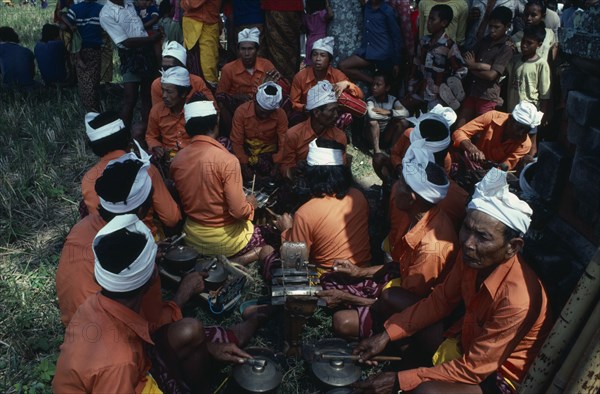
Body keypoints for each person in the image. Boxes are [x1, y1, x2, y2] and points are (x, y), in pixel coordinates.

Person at [354, 168, 552, 394]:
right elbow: (440, 301)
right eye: (466, 229)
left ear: (512, 247)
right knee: (401, 311)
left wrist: (401, 380)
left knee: (427, 391)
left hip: (498, 375)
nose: (468, 242)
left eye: (482, 237)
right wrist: (385, 335)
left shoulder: (518, 300)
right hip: (467, 341)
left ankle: (410, 377)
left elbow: (476, 368)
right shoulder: (470, 257)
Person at [53, 214, 263, 393]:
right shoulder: (118, 362)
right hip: (128, 379)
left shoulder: (96, 305)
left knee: (189, 330)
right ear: (152, 275)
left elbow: (143, 343)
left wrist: (207, 349)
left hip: (136, 369)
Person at [326, 142, 458, 339]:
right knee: (329, 279)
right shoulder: (418, 216)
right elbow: (399, 266)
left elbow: (414, 305)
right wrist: (359, 272)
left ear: (412, 197)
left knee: (342, 321)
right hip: (399, 288)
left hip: (413, 311)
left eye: (401, 184)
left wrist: (347, 298)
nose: (395, 188)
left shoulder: (431, 249)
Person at [57, 156, 174, 326]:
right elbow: (153, 324)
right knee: (189, 330)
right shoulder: (136, 251)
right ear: (142, 210)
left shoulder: (82, 226)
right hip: (110, 336)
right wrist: (183, 295)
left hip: (74, 326)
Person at [170, 98, 268, 265]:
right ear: (216, 121)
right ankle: (233, 262)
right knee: (268, 243)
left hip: (192, 237)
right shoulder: (227, 160)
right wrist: (250, 204)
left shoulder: (177, 160)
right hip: (226, 241)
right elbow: (238, 212)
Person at [270, 138, 371, 273]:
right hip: (362, 271)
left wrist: (286, 231)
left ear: (312, 174)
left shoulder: (305, 213)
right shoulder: (358, 196)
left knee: (267, 252)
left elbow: (294, 263)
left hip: (329, 280)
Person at [81, 111, 181, 235]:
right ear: (127, 139)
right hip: (148, 243)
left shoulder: (88, 179)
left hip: (107, 248)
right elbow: (171, 218)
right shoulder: (145, 168)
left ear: (94, 148)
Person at [99, 0, 163, 129]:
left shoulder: (129, 4)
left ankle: (147, 131)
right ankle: (124, 135)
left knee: (147, 95)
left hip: (146, 51)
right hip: (130, 56)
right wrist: (151, 39)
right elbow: (125, 42)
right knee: (130, 97)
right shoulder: (106, 14)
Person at [216, 27, 280, 136]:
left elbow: (275, 93)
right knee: (222, 103)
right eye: (243, 49)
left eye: (250, 49)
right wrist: (236, 97)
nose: (246, 53)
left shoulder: (267, 65)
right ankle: (232, 135)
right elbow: (220, 95)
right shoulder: (228, 69)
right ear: (238, 50)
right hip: (237, 110)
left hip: (263, 108)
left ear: (257, 50)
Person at [457, 6, 514, 128]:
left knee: (482, 133)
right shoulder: (484, 41)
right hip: (473, 91)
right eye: (490, 26)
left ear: (507, 26)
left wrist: (473, 66)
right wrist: (483, 67)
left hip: (488, 97)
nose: (492, 30)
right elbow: (467, 58)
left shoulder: (506, 47)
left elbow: (491, 75)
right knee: (460, 129)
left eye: (497, 27)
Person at [289, 36, 364, 127]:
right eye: (315, 54)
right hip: (308, 114)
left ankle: (337, 137)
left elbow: (360, 95)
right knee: (294, 117)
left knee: (345, 116)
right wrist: (306, 108)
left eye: (322, 55)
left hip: (330, 116)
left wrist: (347, 84)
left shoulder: (337, 75)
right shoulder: (300, 76)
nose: (318, 59)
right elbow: (293, 103)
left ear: (329, 60)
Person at [280, 81, 348, 180]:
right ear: (316, 112)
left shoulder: (339, 137)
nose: (336, 115)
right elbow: (285, 167)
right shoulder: (293, 135)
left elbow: (340, 170)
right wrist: (295, 170)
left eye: (337, 110)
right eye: (332, 111)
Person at [409, 4, 468, 111]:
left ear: (444, 23)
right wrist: (411, 84)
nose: (428, 22)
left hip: (437, 98)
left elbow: (462, 69)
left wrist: (447, 87)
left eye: (433, 19)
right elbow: (416, 63)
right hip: (420, 91)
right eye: (428, 19)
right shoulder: (423, 42)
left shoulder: (449, 46)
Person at [452, 101, 542, 170]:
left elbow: (504, 168)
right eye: (519, 128)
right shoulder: (492, 116)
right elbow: (459, 133)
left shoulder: (525, 145)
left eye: (526, 130)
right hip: (469, 162)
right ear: (510, 119)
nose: (520, 133)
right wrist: (471, 148)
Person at [506, 24, 551, 157]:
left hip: (530, 113)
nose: (524, 45)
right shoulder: (515, 60)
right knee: (513, 139)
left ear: (539, 44)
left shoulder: (541, 64)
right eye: (524, 41)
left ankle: (527, 166)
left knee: (530, 141)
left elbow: (544, 94)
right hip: (513, 109)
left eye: (529, 43)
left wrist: (541, 116)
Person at [230, 81, 287, 183]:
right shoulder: (241, 112)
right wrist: (244, 165)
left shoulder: (281, 115)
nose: (265, 116)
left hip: (267, 152)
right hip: (246, 149)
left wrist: (276, 166)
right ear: (255, 101)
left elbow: (283, 143)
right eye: (262, 112)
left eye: (269, 113)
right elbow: (236, 142)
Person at [339, 0, 403, 84]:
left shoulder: (387, 10)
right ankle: (373, 82)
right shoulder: (367, 7)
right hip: (368, 52)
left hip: (383, 55)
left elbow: (396, 36)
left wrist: (396, 62)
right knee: (343, 66)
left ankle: (379, 85)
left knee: (388, 84)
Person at [62, 0, 104, 111]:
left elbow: (63, 24)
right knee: (94, 80)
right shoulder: (101, 9)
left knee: (84, 80)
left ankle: (89, 109)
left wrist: (71, 26)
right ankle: (94, 107)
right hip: (95, 48)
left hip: (79, 49)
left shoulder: (75, 9)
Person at [146, 66, 192, 158]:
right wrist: (156, 146)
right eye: (163, 90)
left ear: (183, 93)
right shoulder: (157, 111)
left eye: (169, 92)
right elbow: (151, 136)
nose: (164, 96)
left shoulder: (195, 111)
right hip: (167, 157)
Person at [150, 40, 214, 106]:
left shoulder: (197, 82)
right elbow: (157, 112)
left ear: (182, 66)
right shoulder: (157, 84)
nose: (167, 71)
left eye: (171, 67)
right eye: (164, 67)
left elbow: (213, 108)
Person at [366, 72, 409, 154]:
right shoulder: (371, 100)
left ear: (387, 88)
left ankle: (392, 148)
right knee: (373, 122)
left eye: (378, 85)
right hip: (371, 135)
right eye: (373, 84)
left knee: (404, 122)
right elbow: (371, 114)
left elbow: (405, 112)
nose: (374, 87)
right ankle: (377, 151)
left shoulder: (393, 100)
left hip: (386, 135)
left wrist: (390, 112)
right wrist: (389, 116)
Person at [261, 0, 304, 82]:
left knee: (284, 50)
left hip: (278, 7)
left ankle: (285, 86)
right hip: (284, 7)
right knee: (287, 50)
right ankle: (284, 85)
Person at [180, 0, 220, 84]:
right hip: (195, 27)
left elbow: (191, 4)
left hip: (204, 25)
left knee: (207, 69)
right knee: (192, 63)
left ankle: (208, 94)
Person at [302, 0, 333, 66]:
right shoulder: (321, 14)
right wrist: (327, 4)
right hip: (321, 40)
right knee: (321, 62)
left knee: (311, 62)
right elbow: (330, 14)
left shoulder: (306, 16)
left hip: (310, 41)